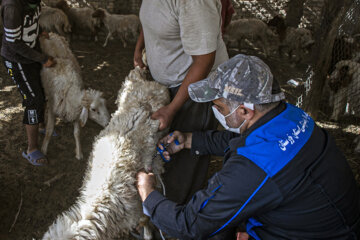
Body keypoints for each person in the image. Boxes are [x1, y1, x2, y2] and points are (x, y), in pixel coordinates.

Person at [136, 54, 360, 240]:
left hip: (325, 234)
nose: (217, 112)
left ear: (244, 111)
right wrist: (189, 140)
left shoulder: (253, 170)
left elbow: (191, 224)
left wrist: (148, 194)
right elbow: (249, 144)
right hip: (325, 217)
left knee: (216, 230)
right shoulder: (291, 116)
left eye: (219, 107)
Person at [133, 0, 229, 204]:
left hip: (195, 91)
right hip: (166, 86)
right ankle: (161, 205)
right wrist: (139, 48)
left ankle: (176, 219)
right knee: (166, 152)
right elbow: (150, 20)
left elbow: (204, 60)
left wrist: (173, 108)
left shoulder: (194, 3)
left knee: (185, 161)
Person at [1, 0, 56, 165]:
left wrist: (40, 31)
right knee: (34, 100)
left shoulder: (33, 2)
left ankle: (41, 126)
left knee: (41, 91)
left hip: (31, 54)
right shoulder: (12, 6)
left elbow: (30, 22)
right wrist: (42, 58)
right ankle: (31, 149)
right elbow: (13, 43)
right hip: (17, 60)